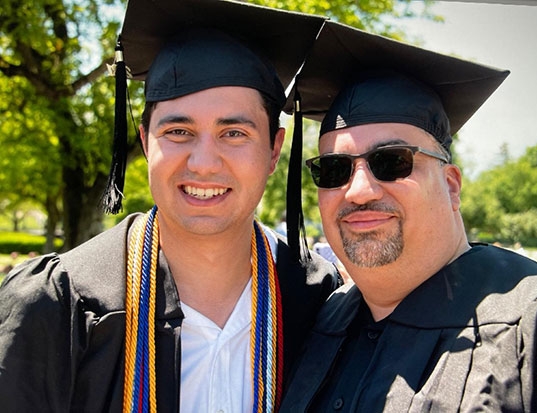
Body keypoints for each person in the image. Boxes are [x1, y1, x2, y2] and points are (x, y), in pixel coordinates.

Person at [0, 1, 340, 412]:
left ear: (273, 151)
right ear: (146, 143)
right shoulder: (56, 306)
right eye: (179, 131)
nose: (203, 163)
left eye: (233, 133)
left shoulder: (320, 302)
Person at [280, 21, 537, 412]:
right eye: (334, 169)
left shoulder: (534, 322)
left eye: (391, 162)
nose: (358, 191)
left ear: (452, 185)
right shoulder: (321, 320)